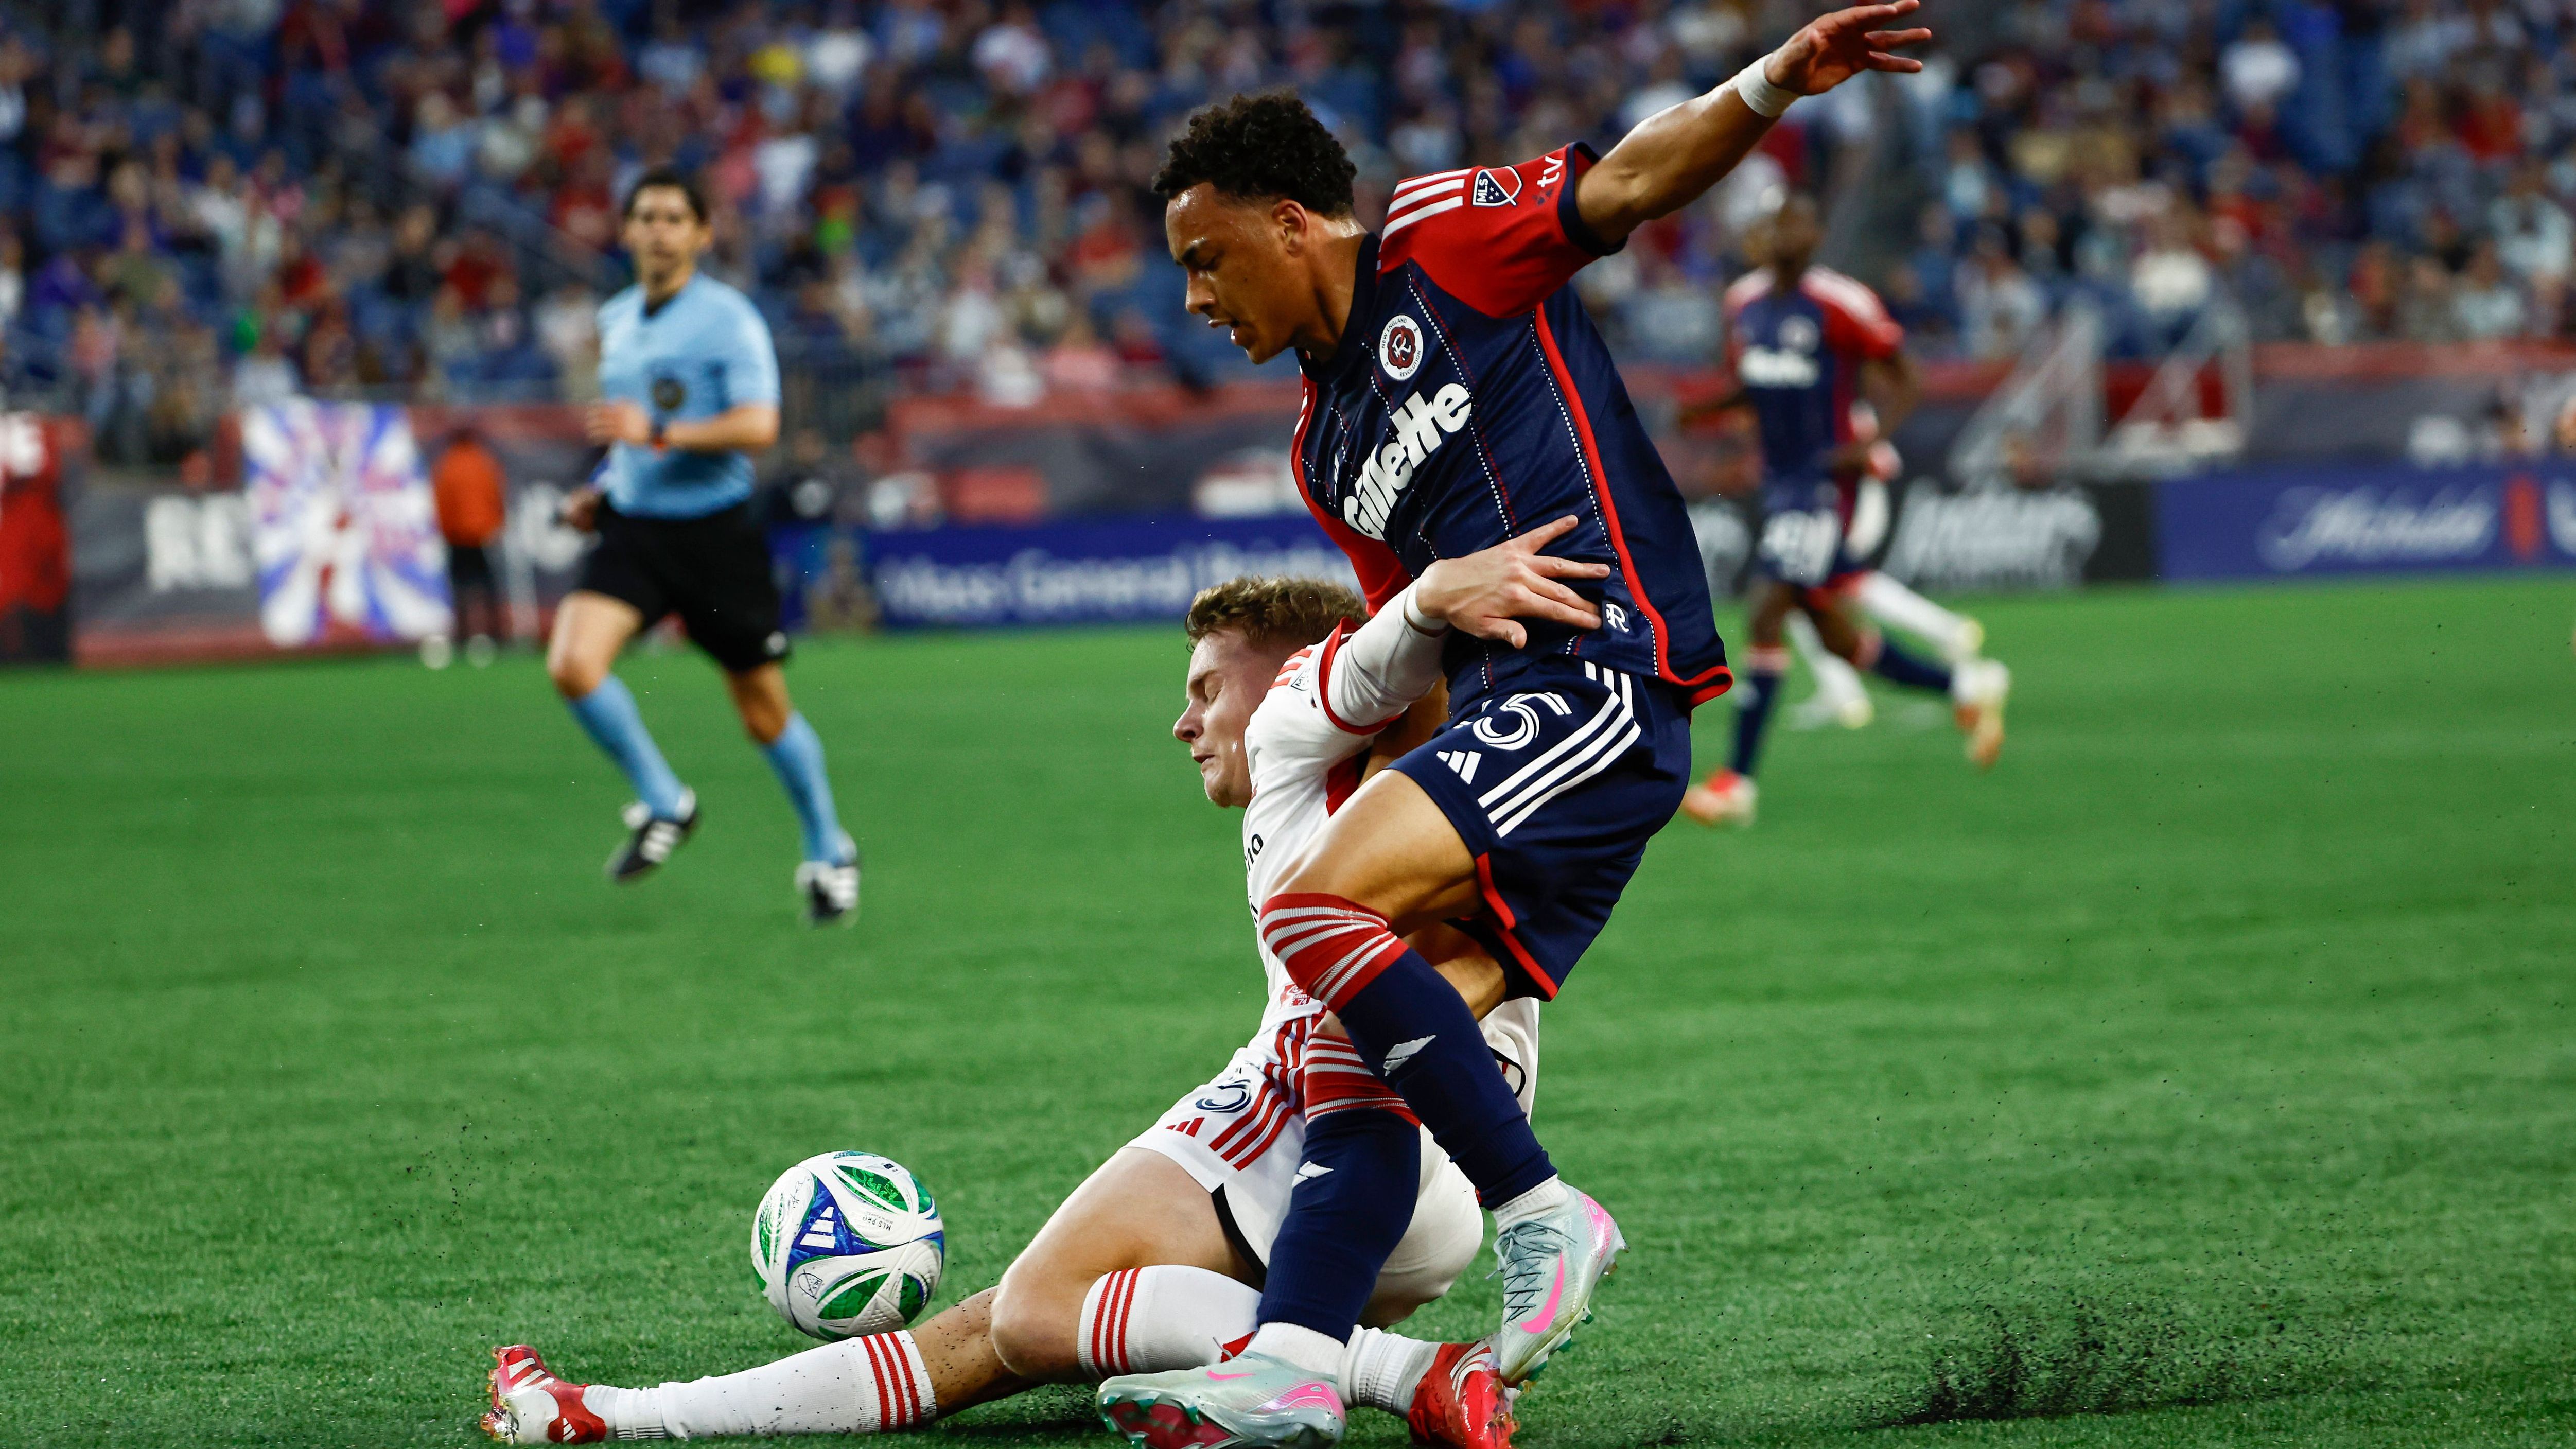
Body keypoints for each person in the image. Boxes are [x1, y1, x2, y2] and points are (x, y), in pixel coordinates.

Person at [1108, 7, 1934, 1437]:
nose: (1193, 297)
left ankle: (1542, 1207)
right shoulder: (1322, 445)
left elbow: (1630, 182)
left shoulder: (1442, 242)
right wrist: (1393, 809)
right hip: (1509, 740)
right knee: (1345, 1031)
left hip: (1600, 678)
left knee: (1309, 908)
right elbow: (1415, 658)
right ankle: (1292, 1365)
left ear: (1292, 223)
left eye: (1205, 257)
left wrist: (1769, 82)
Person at [480, 550, 1564, 1448]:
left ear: (1293, 674)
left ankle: (1401, 1374)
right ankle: (610, 1414)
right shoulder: (1415, 797)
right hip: (1435, 1177)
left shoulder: (1335, 748)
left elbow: (1406, 676)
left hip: (1324, 1115)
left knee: (1039, 1311)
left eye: (1204, 688)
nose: (1182, 721)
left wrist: (1428, 589)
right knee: (1005, 1331)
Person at [547, 167, 860, 924]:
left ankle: (829, 848)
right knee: (573, 664)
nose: (659, 231)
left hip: (716, 536)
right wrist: (600, 486)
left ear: (701, 235)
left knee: (763, 713)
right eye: (646, 217)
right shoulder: (618, 317)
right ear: (626, 231)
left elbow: (759, 425)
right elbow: (627, 433)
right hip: (636, 528)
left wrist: (656, 433)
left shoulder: (728, 319)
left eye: (673, 219)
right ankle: (665, 801)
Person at [1677, 194, 2010, 828]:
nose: (1786, 233)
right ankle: (1965, 685)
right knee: (1832, 631)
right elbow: (1755, 382)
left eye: (1799, 221)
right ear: (1758, 236)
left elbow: (1906, 375)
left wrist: (1872, 438)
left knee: (1767, 606)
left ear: (1816, 235)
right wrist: (1704, 410)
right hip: (1780, 483)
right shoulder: (1743, 304)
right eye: (1776, 222)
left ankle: (1736, 782)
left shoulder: (1842, 303)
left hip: (1826, 482)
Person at [433, 425, 509, 665]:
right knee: (487, 586)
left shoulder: (448, 464)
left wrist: (447, 532)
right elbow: (496, 494)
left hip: (457, 537)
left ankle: (464, 636)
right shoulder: (484, 461)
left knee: (461, 588)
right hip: (483, 534)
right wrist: (497, 524)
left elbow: (443, 502)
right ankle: (496, 634)